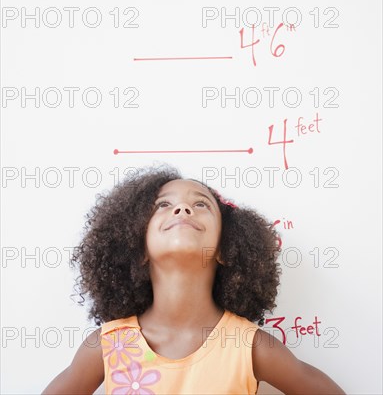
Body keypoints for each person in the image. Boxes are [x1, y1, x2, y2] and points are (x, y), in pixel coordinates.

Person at [42, 164, 345, 395]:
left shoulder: (250, 345)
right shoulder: (106, 345)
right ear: (139, 249)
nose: (183, 208)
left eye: (201, 204)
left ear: (226, 249)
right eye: (162, 204)